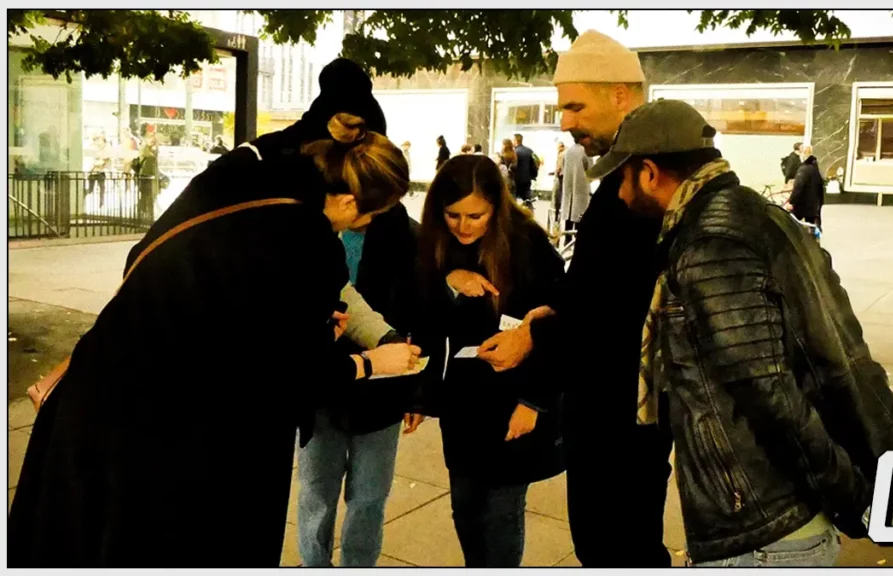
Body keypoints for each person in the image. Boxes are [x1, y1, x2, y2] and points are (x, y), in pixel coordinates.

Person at [8, 62, 422, 568]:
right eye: (368, 218)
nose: (357, 230)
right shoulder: (309, 241)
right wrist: (376, 363)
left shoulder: (243, 182)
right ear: (353, 201)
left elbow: (190, 289)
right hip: (172, 449)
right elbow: (297, 379)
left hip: (95, 411)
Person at [596, 98, 893, 566]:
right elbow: (846, 349)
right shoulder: (757, 216)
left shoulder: (709, 245)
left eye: (620, 178)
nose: (620, 194)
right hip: (781, 523)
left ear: (648, 172)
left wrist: (850, 494)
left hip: (761, 531)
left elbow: (769, 395)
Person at [474, 30, 674, 567]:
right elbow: (593, 288)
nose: (564, 120)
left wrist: (533, 337)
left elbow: (614, 312)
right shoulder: (621, 177)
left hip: (623, 422)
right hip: (612, 415)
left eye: (574, 105)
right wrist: (548, 311)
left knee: (617, 548)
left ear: (621, 95)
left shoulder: (644, 185)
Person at [415, 155, 565, 567]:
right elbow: (421, 316)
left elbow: (561, 327)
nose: (464, 226)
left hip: (516, 397)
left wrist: (534, 402)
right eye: (453, 215)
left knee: (500, 513)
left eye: (475, 216)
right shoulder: (436, 244)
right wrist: (448, 282)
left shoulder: (528, 245)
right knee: (465, 506)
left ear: (496, 208)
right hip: (463, 400)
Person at [296, 199, 425, 568]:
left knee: (369, 494)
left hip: (383, 385)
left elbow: (423, 314)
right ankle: (313, 563)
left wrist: (416, 394)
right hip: (324, 383)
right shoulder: (313, 237)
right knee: (317, 489)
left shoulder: (409, 238)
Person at [786, 144, 825, 229]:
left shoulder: (804, 169)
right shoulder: (815, 167)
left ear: (802, 154)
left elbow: (798, 188)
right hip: (814, 205)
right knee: (812, 226)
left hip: (802, 205)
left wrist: (791, 202)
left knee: (790, 223)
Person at [559, 142, 591, 233]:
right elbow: (592, 170)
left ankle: (567, 240)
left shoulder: (567, 151)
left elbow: (563, 168)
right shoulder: (586, 152)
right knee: (579, 215)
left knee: (568, 215)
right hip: (581, 187)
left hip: (568, 187)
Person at [87, 134, 112, 207]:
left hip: (100, 171)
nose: (98, 141)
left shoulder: (106, 148)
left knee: (102, 187)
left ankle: (101, 203)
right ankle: (83, 195)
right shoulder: (95, 148)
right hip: (94, 171)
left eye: (100, 140)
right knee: (91, 189)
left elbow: (104, 160)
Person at [512, 134, 538, 201]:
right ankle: (529, 210)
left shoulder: (515, 152)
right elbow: (535, 163)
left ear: (516, 140)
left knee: (513, 200)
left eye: (513, 140)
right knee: (527, 200)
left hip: (516, 180)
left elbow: (513, 166)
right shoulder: (529, 151)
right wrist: (533, 175)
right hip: (527, 180)